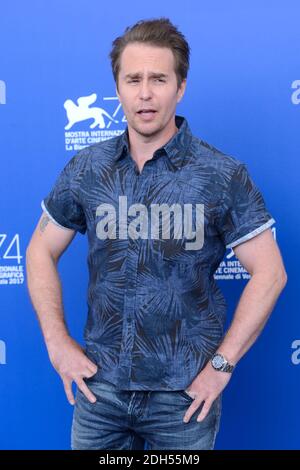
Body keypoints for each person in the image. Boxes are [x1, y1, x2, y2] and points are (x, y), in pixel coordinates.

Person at [26, 17, 287, 450]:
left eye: (159, 79)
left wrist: (222, 365)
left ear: (180, 87)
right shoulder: (88, 169)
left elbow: (271, 273)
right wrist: (57, 342)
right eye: (133, 79)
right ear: (118, 88)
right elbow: (38, 250)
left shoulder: (221, 175)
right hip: (100, 390)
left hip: (182, 400)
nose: (145, 93)